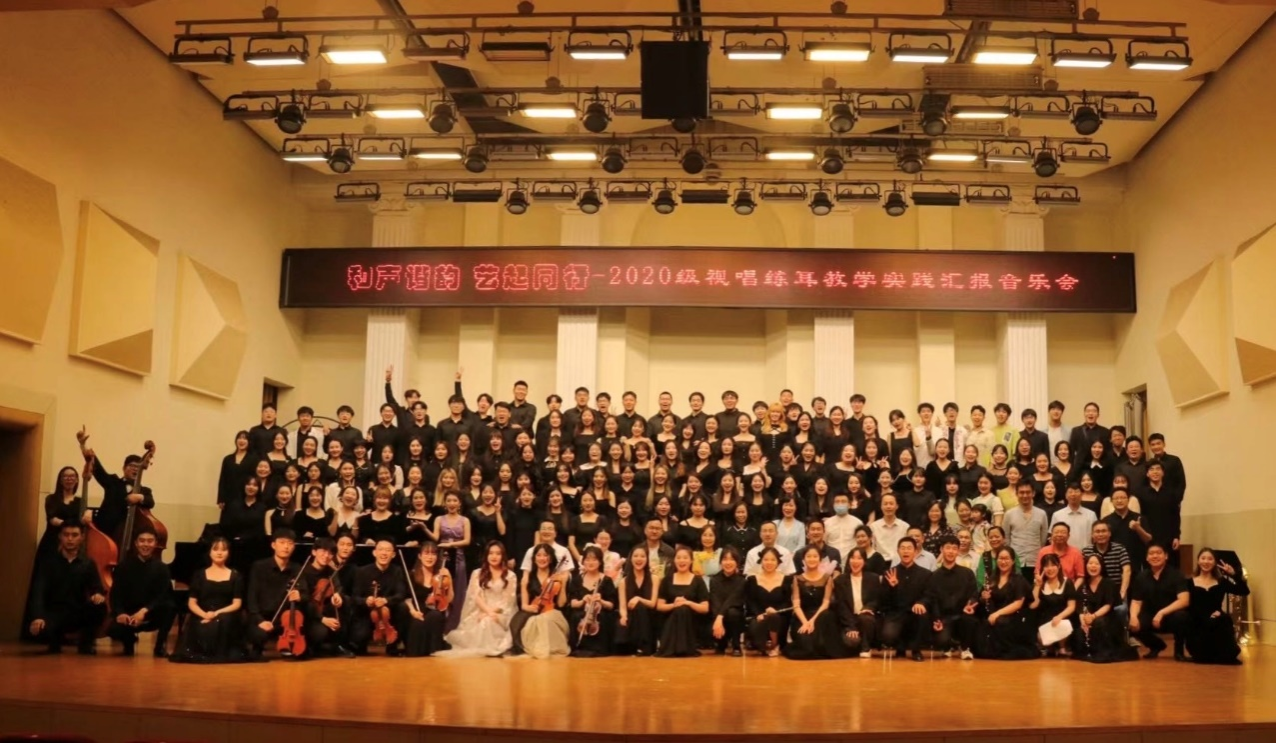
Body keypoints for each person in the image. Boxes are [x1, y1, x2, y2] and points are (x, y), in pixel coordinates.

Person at [28, 522, 107, 654]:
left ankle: (86, 644)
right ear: (60, 536)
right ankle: (55, 641)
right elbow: (38, 591)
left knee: (99, 607)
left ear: (82, 537)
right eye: (66, 535)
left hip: (77, 612)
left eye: (74, 535)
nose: (70, 539)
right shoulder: (48, 562)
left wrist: (98, 594)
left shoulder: (88, 563)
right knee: (40, 630)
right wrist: (38, 616)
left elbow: (96, 587)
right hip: (54, 613)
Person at [170, 537, 247, 664]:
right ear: (209, 552)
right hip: (202, 613)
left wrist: (216, 613)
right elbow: (192, 602)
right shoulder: (199, 575)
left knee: (222, 622)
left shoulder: (236, 576)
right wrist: (204, 614)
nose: (219, 553)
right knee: (201, 625)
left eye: (223, 550)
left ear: (228, 553)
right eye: (215, 549)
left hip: (225, 613)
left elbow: (237, 603)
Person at [439, 541, 518, 657]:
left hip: (502, 611)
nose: (494, 556)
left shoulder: (510, 576)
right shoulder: (477, 573)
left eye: (498, 554)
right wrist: (488, 612)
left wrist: (492, 613)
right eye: (491, 553)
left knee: (489, 621)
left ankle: (494, 647)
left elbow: (507, 600)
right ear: (486, 555)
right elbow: (476, 597)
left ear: (503, 556)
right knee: (485, 621)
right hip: (481, 610)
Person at [107, 528, 174, 657]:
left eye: (150, 541)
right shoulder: (123, 566)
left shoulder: (162, 568)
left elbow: (162, 596)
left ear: (155, 543)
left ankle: (159, 647)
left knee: (170, 607)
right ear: (136, 543)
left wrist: (144, 611)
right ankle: (128, 643)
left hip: (150, 613)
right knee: (113, 630)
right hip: (129, 614)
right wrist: (121, 613)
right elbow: (115, 595)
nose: (146, 544)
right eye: (142, 541)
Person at [245, 529, 308, 660]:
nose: (286, 547)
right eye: (282, 542)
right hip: (263, 617)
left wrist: (299, 596)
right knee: (259, 635)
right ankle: (257, 647)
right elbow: (251, 597)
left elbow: (306, 594)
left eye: (290, 543)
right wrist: (260, 620)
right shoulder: (259, 567)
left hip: (285, 621)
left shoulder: (297, 568)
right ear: (273, 545)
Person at [1186, 548, 1248, 665]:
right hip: (1197, 621)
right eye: (1203, 558)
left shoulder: (1221, 581)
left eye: (1210, 559)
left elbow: (1244, 591)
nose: (1206, 562)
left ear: (1215, 562)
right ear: (1198, 561)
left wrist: (1234, 575)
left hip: (1217, 618)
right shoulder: (1188, 582)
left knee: (1224, 619)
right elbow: (1186, 605)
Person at [1128, 543, 1191, 660]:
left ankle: (1179, 652)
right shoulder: (1141, 577)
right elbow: (1136, 601)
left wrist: (1162, 613)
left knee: (1181, 616)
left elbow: (1184, 600)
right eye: (1151, 553)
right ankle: (1156, 646)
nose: (1155, 556)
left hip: (1170, 615)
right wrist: (1133, 616)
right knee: (1133, 622)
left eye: (1158, 553)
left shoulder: (1176, 575)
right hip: (1150, 615)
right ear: (1147, 558)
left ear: (1166, 556)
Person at [973, 546, 1037, 660]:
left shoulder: (1019, 580)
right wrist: (983, 597)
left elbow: (1018, 603)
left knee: (1001, 622)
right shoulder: (991, 579)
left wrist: (997, 614)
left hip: (1013, 616)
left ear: (1013, 561)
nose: (1003, 562)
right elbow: (984, 601)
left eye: (1006, 559)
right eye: (1001, 558)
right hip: (993, 615)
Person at [1072, 553, 1137, 664]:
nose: (1093, 566)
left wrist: (1093, 616)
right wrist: (1083, 621)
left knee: (1099, 623)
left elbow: (1108, 605)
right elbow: (1080, 607)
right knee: (1079, 632)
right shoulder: (1083, 585)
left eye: (1096, 564)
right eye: (1090, 563)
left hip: (1107, 618)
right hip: (1088, 618)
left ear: (1101, 566)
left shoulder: (1108, 583)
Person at [510, 543, 571, 658]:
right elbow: (524, 605)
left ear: (550, 558)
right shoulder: (528, 577)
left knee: (543, 620)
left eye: (545, 555)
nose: (542, 558)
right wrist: (529, 607)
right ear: (534, 558)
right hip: (532, 610)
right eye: (538, 555)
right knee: (517, 623)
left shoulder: (557, 577)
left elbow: (561, 603)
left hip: (551, 611)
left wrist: (563, 584)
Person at [299, 538, 354, 659]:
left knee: (345, 600)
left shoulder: (331, 571)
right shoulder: (304, 572)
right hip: (310, 615)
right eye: (323, 551)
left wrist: (338, 595)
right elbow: (305, 601)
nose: (326, 556)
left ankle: (339, 645)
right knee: (320, 633)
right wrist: (322, 619)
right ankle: (313, 646)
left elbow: (338, 587)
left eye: (330, 553)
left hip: (325, 609)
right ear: (314, 552)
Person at [783, 546, 840, 660]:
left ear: (820, 559)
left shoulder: (827, 578)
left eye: (815, 556)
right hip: (802, 616)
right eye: (808, 556)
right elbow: (796, 605)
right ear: (803, 560)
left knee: (820, 644)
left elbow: (825, 603)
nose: (812, 559)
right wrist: (805, 622)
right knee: (806, 647)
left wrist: (812, 621)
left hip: (821, 616)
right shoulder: (797, 579)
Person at [927, 535, 979, 660]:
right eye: (948, 548)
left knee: (970, 620)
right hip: (944, 618)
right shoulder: (934, 576)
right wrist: (937, 618)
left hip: (963, 615)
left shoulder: (967, 573)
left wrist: (970, 605)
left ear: (958, 551)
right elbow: (932, 599)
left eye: (954, 548)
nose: (951, 551)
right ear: (941, 549)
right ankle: (950, 645)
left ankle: (965, 648)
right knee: (941, 640)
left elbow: (974, 593)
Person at [880, 537, 931, 661]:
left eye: (909, 548)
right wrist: (893, 587)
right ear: (898, 551)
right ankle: (900, 646)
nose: (906, 551)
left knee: (922, 614)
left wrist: (921, 602)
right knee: (888, 636)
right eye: (902, 548)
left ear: (915, 551)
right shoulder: (890, 573)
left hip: (915, 613)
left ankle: (916, 650)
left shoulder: (925, 574)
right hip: (896, 614)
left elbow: (929, 595)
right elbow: (884, 600)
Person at [656, 545, 711, 657]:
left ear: (691, 561)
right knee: (680, 609)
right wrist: (674, 605)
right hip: (671, 618)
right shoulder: (667, 579)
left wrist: (688, 603)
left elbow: (705, 608)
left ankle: (680, 647)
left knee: (683, 609)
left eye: (685, 558)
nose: (682, 561)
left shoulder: (698, 580)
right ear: (674, 560)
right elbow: (660, 606)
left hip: (691, 621)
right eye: (679, 557)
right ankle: (677, 647)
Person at [567, 546, 619, 657]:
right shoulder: (577, 580)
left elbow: (611, 605)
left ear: (600, 562)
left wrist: (601, 601)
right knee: (576, 616)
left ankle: (599, 648)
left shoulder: (606, 580)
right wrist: (582, 601)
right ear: (583, 562)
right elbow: (572, 603)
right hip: (582, 611)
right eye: (587, 559)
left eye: (594, 559)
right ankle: (579, 646)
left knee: (602, 617)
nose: (590, 562)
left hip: (600, 613)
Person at [833, 547, 882, 658]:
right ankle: (858, 642)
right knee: (852, 641)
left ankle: (866, 647)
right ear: (848, 560)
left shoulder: (873, 578)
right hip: (849, 619)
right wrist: (851, 627)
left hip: (866, 618)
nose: (855, 561)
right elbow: (842, 607)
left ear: (864, 561)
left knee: (866, 618)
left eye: (859, 558)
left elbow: (876, 599)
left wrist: (868, 607)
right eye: (853, 558)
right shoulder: (840, 580)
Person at [745, 547, 791, 657]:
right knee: (757, 627)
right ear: (761, 561)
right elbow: (750, 601)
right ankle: (762, 646)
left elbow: (788, 602)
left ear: (778, 562)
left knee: (775, 618)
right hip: (759, 616)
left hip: (779, 615)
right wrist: (758, 614)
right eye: (766, 559)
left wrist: (775, 611)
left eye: (773, 559)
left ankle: (776, 645)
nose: (769, 562)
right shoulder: (752, 579)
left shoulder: (786, 579)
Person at [1083, 522, 1131, 624]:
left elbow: (1127, 570)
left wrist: (1122, 592)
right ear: (1092, 535)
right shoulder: (1086, 551)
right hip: (1093, 592)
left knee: (1121, 609)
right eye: (1097, 531)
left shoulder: (1119, 549)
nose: (1100, 534)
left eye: (1103, 531)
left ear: (1109, 533)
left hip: (1115, 592)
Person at [1030, 553, 1077, 657]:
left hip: (1063, 620)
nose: (1050, 569)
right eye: (1046, 566)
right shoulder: (1040, 584)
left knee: (1063, 626)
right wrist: (1037, 586)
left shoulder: (1067, 582)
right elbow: (1033, 605)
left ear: (1059, 566)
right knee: (1040, 637)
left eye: (1053, 565)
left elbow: (1071, 606)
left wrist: (1060, 617)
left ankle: (1062, 648)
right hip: (1046, 622)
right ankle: (1049, 648)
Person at [616, 545, 660, 656]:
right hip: (631, 616)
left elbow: (653, 604)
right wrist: (624, 616)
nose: (639, 559)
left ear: (647, 559)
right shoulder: (623, 581)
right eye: (635, 556)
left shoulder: (654, 579)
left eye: (642, 556)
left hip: (649, 618)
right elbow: (622, 606)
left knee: (640, 607)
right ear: (631, 559)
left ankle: (644, 645)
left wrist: (638, 598)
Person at [1003, 482, 1048, 582]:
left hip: (1035, 560)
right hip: (1016, 561)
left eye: (1028, 492)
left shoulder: (1042, 514)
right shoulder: (1009, 514)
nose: (1025, 495)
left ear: (1033, 493)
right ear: (1016, 494)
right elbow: (1006, 538)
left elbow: (1043, 538)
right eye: (1021, 492)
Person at [709, 547, 746, 656]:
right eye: (725, 559)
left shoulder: (742, 580)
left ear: (737, 562)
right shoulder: (714, 580)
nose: (728, 562)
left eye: (732, 559)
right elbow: (715, 601)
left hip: (735, 618)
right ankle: (721, 644)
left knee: (732, 612)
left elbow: (732, 600)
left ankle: (736, 645)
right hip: (717, 615)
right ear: (720, 562)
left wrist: (719, 617)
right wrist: (718, 618)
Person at [1052, 484, 1097, 550]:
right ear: (1066, 496)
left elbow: (1095, 537)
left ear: (1082, 495)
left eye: (1076, 491)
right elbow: (1053, 538)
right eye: (1070, 492)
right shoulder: (1057, 515)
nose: (1073, 494)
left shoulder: (1091, 515)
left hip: (1086, 553)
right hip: (1064, 553)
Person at [869, 493, 910, 564]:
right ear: (881, 506)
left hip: (900, 562)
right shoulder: (873, 527)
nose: (888, 506)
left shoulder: (905, 526)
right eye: (885, 504)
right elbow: (872, 548)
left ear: (897, 506)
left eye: (891, 504)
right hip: (880, 563)